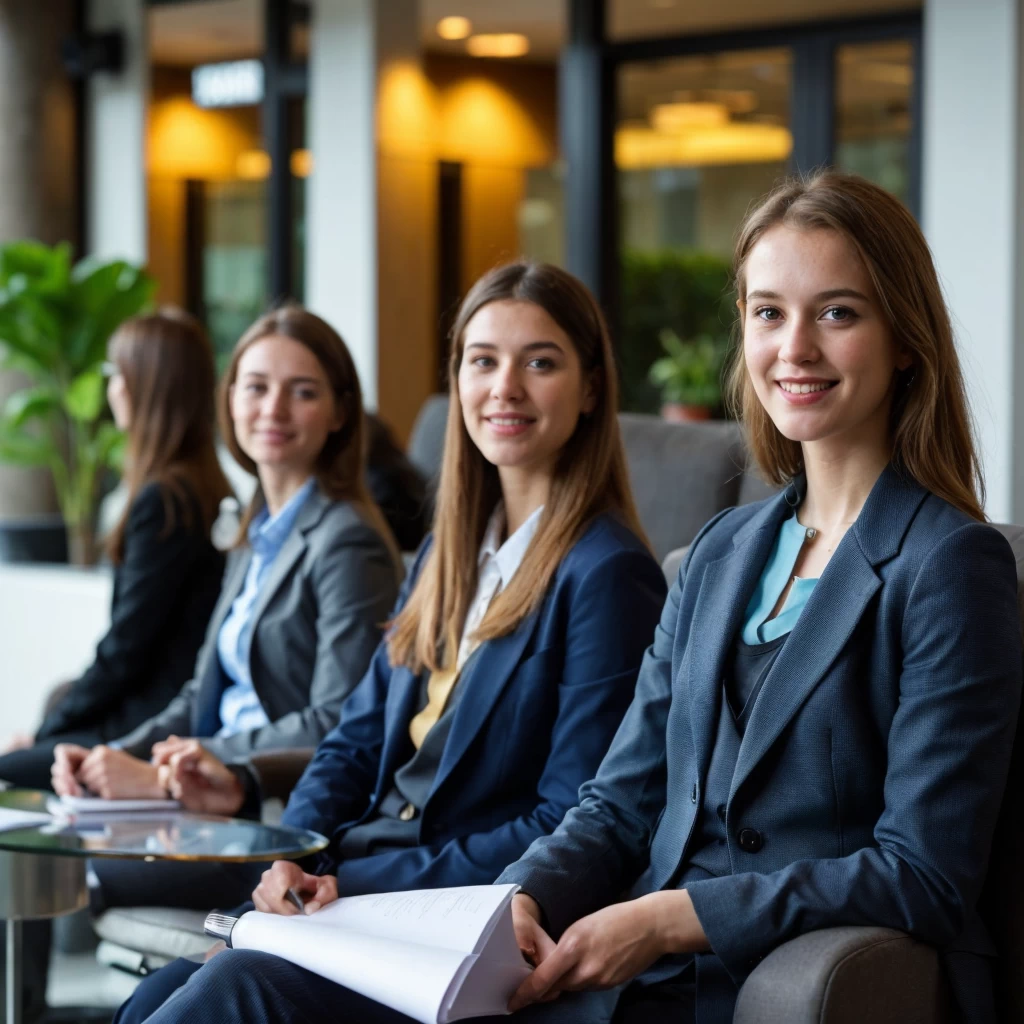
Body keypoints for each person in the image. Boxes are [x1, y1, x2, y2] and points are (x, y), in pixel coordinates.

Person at [115, 260, 668, 1024]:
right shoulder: (449, 554)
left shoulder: (607, 575)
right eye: (483, 361)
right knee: (155, 996)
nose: (504, 387)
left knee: (225, 995)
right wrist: (297, 856)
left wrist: (355, 880)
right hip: (357, 892)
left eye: (539, 362)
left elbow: (566, 816)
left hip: (458, 925)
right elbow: (352, 739)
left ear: (591, 389)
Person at [52, 305, 401, 805]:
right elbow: (203, 692)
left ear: (339, 413)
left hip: (271, 802)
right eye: (256, 387)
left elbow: (336, 719)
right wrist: (111, 753)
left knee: (96, 871)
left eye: (302, 392)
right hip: (204, 784)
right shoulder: (251, 528)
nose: (273, 409)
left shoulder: (347, 540)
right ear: (231, 399)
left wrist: (192, 759)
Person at [0, 309, 231, 791]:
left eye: (116, 375)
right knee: (53, 709)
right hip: (159, 707)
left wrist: (43, 736)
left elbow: (125, 651)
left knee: (10, 766)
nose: (111, 389)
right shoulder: (198, 487)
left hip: (150, 722)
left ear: (142, 387)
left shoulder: (165, 500)